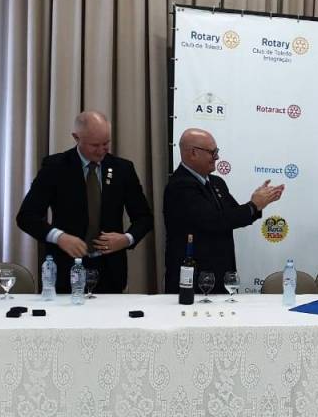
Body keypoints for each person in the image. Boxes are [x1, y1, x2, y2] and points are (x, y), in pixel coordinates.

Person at [17, 111, 153, 293]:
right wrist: (59, 237)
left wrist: (126, 239)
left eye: (106, 143)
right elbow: (26, 217)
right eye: (95, 145)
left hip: (110, 272)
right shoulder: (55, 167)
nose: (102, 150)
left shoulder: (123, 169)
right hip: (66, 271)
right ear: (76, 138)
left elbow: (144, 218)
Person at [163, 128, 284, 293]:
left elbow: (233, 216)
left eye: (217, 151)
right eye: (212, 152)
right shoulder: (180, 185)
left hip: (221, 276)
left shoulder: (216, 182)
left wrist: (259, 203)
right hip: (193, 281)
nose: (217, 157)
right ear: (193, 153)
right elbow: (213, 221)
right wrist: (253, 205)